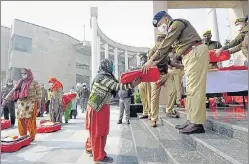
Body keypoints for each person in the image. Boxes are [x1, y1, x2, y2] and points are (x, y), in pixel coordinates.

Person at [142, 11, 208, 134]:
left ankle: (197, 123)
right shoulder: (174, 31)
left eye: (161, 24)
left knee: (195, 89)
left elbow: (166, 44)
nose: (161, 28)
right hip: (189, 55)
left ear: (166, 18)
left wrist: (151, 60)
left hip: (195, 53)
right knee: (190, 91)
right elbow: (169, 48)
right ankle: (192, 120)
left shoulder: (176, 24)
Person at [85, 59, 141, 163]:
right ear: (106, 66)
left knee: (95, 131)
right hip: (98, 107)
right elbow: (117, 86)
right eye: (110, 65)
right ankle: (99, 156)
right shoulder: (102, 77)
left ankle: (90, 148)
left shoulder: (104, 76)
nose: (112, 67)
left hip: (98, 106)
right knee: (99, 132)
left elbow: (118, 83)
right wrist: (132, 84)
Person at [148, 33, 184, 127]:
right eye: (164, 42)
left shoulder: (165, 50)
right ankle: (154, 119)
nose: (166, 44)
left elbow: (169, 62)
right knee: (155, 98)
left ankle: (169, 110)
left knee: (173, 92)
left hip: (166, 75)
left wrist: (180, 66)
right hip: (155, 76)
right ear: (159, 41)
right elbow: (151, 65)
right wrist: (157, 79)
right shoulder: (152, 51)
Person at [2, 69, 42, 141]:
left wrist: (39, 105)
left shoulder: (34, 82)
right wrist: (5, 99)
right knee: (21, 120)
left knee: (30, 120)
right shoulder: (19, 82)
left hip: (31, 103)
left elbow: (39, 94)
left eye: (25, 73)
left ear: (29, 74)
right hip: (21, 104)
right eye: (22, 73)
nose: (23, 75)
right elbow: (12, 91)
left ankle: (31, 136)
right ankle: (23, 135)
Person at [138, 53, 152, 120]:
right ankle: (145, 113)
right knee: (143, 98)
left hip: (147, 81)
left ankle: (150, 113)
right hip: (140, 81)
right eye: (140, 57)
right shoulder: (140, 63)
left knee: (148, 97)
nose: (141, 58)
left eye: (141, 57)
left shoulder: (147, 62)